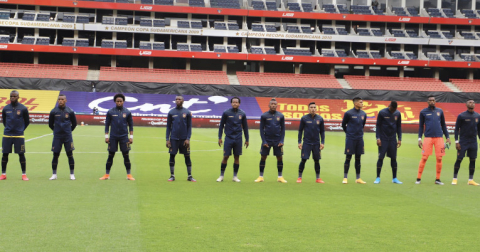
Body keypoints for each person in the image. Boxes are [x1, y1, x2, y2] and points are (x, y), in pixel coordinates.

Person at [100, 93, 135, 180]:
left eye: (121, 101)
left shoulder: (127, 112)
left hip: (124, 137)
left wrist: (131, 137)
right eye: (117, 101)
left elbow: (131, 125)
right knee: (110, 155)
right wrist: (106, 136)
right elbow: (107, 125)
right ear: (115, 102)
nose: (119, 103)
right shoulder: (110, 112)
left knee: (126, 155)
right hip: (113, 137)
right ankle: (107, 175)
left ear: (123, 102)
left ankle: (129, 175)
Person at [417, 95, 450, 185]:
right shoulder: (423, 112)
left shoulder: (440, 111)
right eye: (430, 100)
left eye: (433, 100)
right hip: (428, 137)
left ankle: (438, 179)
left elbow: (443, 125)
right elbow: (420, 126)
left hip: (439, 137)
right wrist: (419, 138)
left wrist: (447, 137)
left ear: (435, 101)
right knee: (424, 157)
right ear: (427, 102)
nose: (432, 101)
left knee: (439, 158)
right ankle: (418, 178)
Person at [217, 97, 249, 182]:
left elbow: (245, 127)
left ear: (239, 104)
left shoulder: (242, 113)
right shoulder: (226, 113)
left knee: (237, 157)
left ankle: (235, 176)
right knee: (226, 156)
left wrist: (247, 139)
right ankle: (221, 176)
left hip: (238, 138)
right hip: (228, 138)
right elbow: (221, 126)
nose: (235, 103)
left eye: (236, 102)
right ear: (231, 103)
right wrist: (219, 137)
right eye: (233, 102)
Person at [0, 90, 30, 181]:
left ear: (18, 97)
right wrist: (9, 129)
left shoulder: (23, 108)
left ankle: (24, 174)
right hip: (7, 135)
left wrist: (20, 130)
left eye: (14, 96)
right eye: (11, 96)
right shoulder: (5, 108)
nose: (12, 98)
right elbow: (4, 121)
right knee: (5, 154)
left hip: (19, 135)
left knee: (21, 154)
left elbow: (27, 121)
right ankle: (3, 174)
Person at [255, 98, 286, 183]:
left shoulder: (281, 116)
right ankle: (260, 176)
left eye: (274, 104)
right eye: (271, 104)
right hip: (267, 140)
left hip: (277, 140)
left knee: (279, 157)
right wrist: (264, 141)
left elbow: (283, 129)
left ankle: (280, 177)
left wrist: (282, 140)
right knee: (263, 157)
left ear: (277, 105)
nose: (273, 105)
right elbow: (261, 129)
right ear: (269, 105)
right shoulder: (264, 115)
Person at [166, 95, 196, 182]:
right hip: (174, 139)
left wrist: (188, 138)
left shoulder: (187, 112)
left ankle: (189, 176)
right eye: (176, 99)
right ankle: (172, 176)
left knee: (187, 156)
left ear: (183, 101)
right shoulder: (171, 112)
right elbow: (168, 127)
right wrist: (167, 139)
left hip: (184, 139)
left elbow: (189, 126)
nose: (177, 100)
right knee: (172, 155)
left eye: (179, 99)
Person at [48, 94, 77, 180]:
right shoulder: (53, 111)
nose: (60, 101)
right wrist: (56, 131)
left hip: (67, 136)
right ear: (57, 101)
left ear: (66, 100)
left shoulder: (70, 111)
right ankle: (54, 174)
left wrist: (68, 131)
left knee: (70, 154)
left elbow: (74, 124)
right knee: (55, 155)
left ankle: (72, 174)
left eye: (62, 99)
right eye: (59, 99)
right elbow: (50, 124)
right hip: (57, 137)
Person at [453, 99, 480, 186]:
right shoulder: (461, 116)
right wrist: (457, 141)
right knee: (459, 159)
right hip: (463, 141)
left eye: (473, 102)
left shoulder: (477, 116)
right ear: (466, 104)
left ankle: (470, 180)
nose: (471, 103)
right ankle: (454, 178)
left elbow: (479, 130)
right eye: (470, 102)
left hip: (473, 141)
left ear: (475, 105)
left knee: (473, 160)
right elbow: (456, 129)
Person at [374, 101, 402, 184]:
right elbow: (378, 125)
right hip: (383, 139)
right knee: (381, 157)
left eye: (394, 110)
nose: (393, 111)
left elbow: (399, 126)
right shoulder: (382, 112)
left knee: (393, 158)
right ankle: (378, 177)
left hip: (393, 139)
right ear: (389, 106)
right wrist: (378, 138)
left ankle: (394, 178)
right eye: (392, 109)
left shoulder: (398, 113)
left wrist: (399, 138)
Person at [297, 102, 325, 183]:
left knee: (317, 160)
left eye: (314, 107)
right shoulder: (304, 118)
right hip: (307, 143)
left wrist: (322, 142)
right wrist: (299, 142)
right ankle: (299, 177)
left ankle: (318, 178)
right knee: (303, 159)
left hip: (316, 143)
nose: (313, 109)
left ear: (316, 109)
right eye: (311, 107)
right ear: (308, 109)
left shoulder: (320, 119)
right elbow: (300, 130)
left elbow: (322, 131)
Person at [341, 97, 367, 184]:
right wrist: (349, 133)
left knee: (358, 158)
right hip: (350, 139)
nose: (362, 103)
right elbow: (343, 124)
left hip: (359, 139)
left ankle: (358, 178)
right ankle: (345, 177)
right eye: (361, 102)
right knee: (348, 157)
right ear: (355, 103)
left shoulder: (363, 114)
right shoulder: (348, 113)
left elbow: (362, 125)